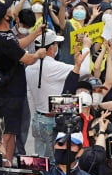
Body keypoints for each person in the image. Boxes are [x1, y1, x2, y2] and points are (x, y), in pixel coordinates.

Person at [0, 0, 47, 163]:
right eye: (8, 9)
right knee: (7, 134)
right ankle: (5, 165)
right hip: (10, 93)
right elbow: (27, 59)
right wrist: (38, 54)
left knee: (8, 132)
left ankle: (5, 163)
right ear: (6, 16)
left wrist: (35, 33)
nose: (12, 10)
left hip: (5, 91)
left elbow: (17, 44)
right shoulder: (3, 40)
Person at [25, 30, 91, 159]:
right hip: (52, 120)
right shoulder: (53, 66)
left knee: (40, 160)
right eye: (56, 44)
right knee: (53, 161)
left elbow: (30, 96)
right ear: (51, 48)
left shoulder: (29, 68)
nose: (57, 47)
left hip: (38, 118)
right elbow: (84, 70)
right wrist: (86, 47)